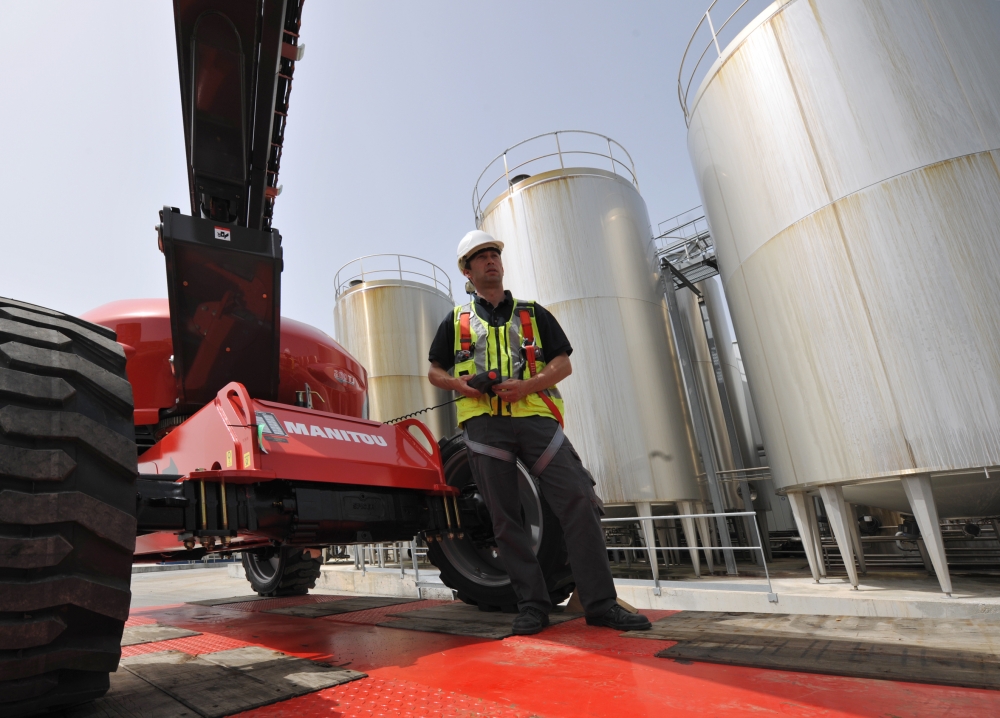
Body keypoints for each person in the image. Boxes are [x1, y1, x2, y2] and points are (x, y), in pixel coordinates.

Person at [427, 229, 652, 635]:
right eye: (481, 256)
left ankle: (600, 605)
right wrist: (460, 385)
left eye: (494, 253)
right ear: (467, 270)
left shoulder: (533, 313)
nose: (491, 260)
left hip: (537, 422)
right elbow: (434, 371)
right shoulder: (456, 321)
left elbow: (562, 364)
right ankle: (532, 606)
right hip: (484, 427)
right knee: (505, 519)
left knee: (579, 500)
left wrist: (527, 386)